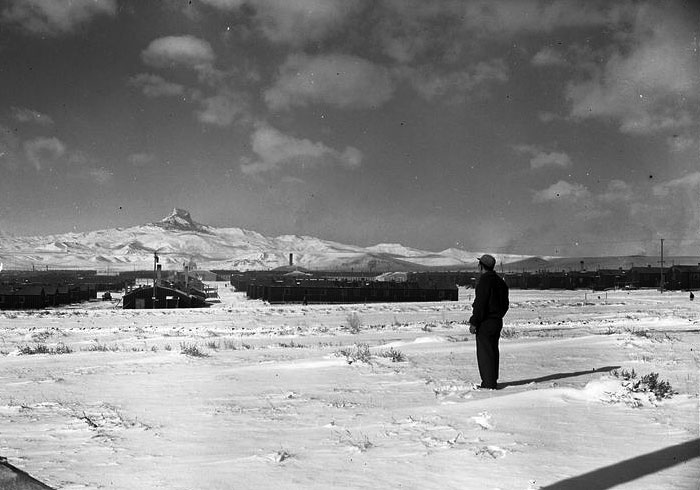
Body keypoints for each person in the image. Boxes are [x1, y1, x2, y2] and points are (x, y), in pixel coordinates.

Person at [469, 254, 509, 389]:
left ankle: (488, 384)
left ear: (481, 266)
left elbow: (480, 304)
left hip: (485, 323)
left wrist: (474, 322)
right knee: (493, 351)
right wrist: (497, 316)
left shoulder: (484, 281)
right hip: (497, 321)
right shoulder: (500, 282)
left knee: (485, 353)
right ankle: (492, 380)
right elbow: (505, 304)